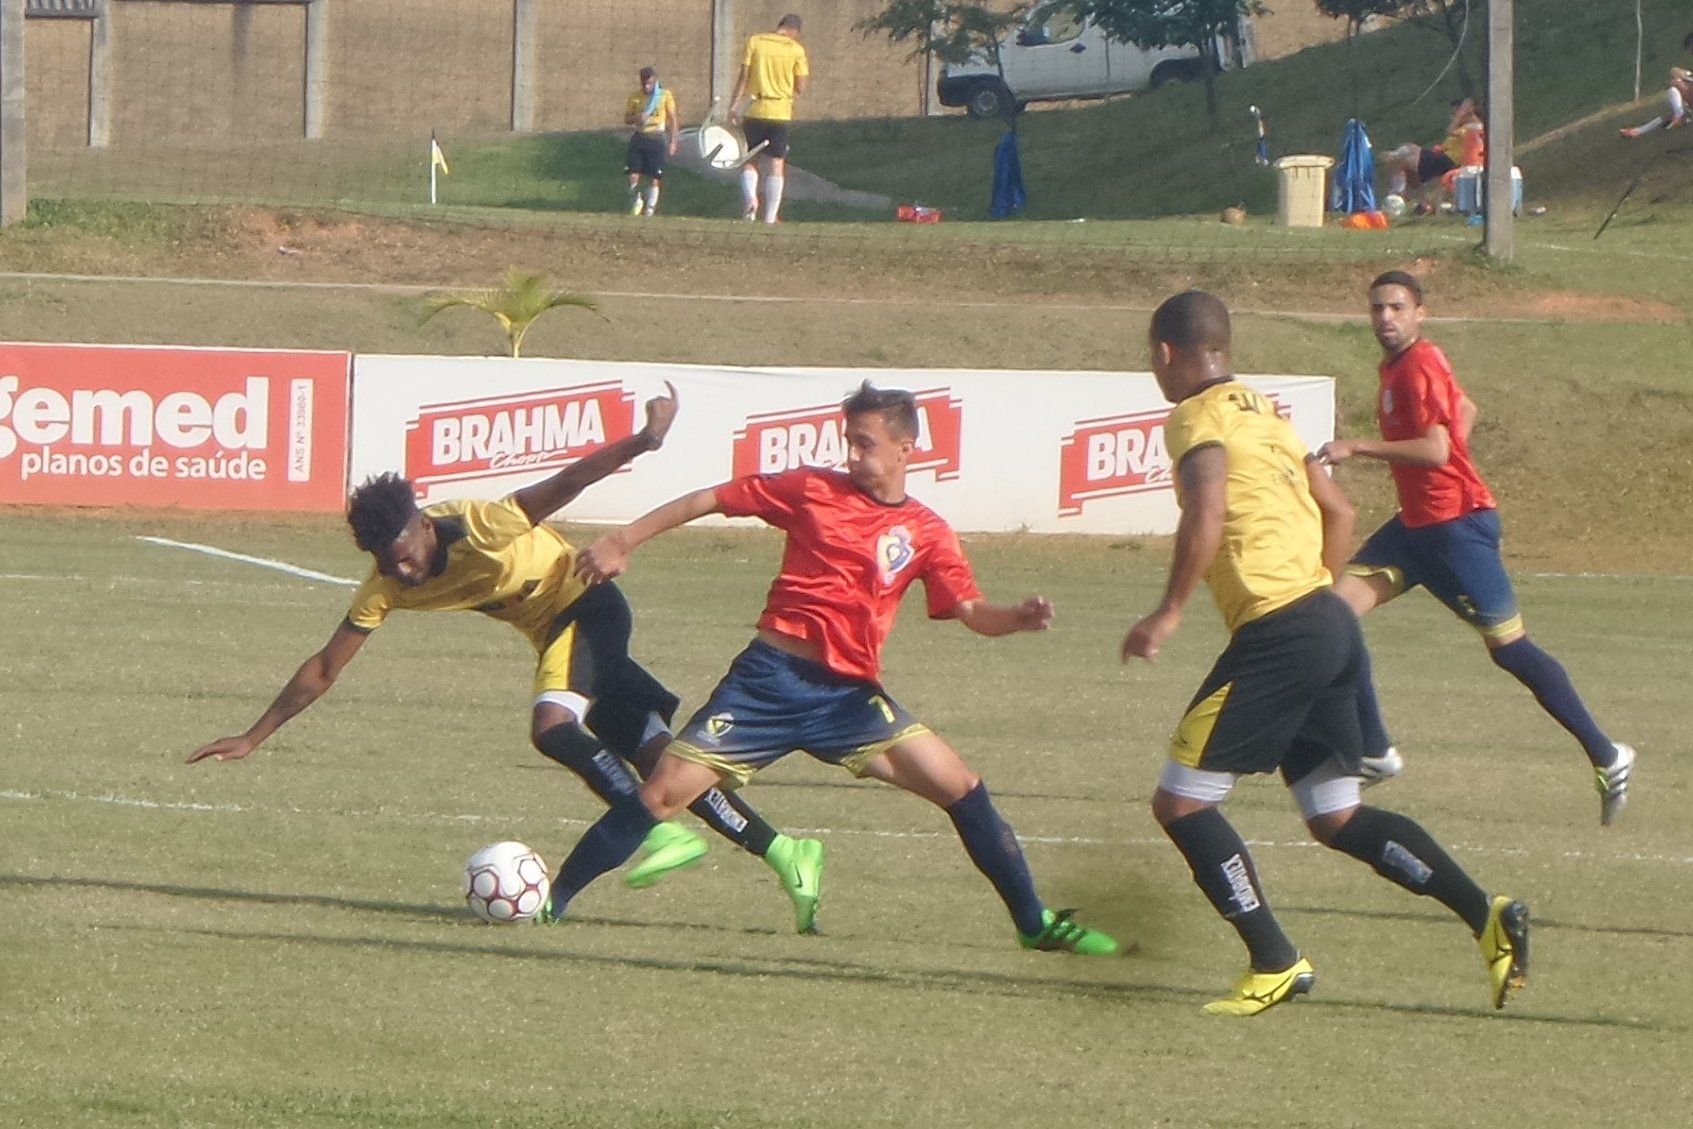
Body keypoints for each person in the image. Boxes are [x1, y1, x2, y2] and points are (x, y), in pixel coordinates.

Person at [186, 383, 826, 932]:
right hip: (558, 639)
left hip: (590, 609)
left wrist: (644, 441)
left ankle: (658, 831)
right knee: (663, 762)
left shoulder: (482, 525)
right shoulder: (384, 587)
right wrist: (253, 735)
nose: (399, 568)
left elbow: (569, 480)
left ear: (424, 525)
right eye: (384, 560)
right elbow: (325, 668)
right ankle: (787, 853)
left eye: (403, 551)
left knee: (553, 727)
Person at [543, 381, 1119, 955]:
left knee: (962, 788)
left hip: (847, 698)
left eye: (864, 443)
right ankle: (551, 903)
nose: (850, 454)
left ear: (905, 448)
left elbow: (971, 611)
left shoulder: (927, 532)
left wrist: (1014, 618)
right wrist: (623, 540)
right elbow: (712, 499)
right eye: (848, 440)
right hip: (766, 685)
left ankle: (1034, 923)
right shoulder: (811, 489)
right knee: (662, 795)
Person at [1123, 289, 1530, 1016]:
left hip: (1282, 633)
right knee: (1334, 815)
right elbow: (1338, 510)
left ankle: (1274, 959)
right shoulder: (1267, 415)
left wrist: (1168, 610)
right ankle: (1485, 912)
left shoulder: (1194, 417)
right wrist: (1314, 588)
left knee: (1180, 802)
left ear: (1165, 353)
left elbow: (1207, 508)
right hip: (1327, 620)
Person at [1316, 272, 1635, 825]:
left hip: (1457, 527)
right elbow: (1466, 411)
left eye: (1396, 307)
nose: (1385, 317)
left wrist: (1358, 445)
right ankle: (1374, 749)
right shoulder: (1397, 367)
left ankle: (1608, 755)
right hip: (1415, 529)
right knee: (1332, 615)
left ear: (1421, 313)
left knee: (1510, 649)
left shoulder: (1422, 362)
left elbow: (1437, 449)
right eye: (1377, 308)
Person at [728, 13, 810, 224]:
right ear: (795, 31)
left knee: (749, 160)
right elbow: (800, 87)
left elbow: (743, 77)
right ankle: (771, 217)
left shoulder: (755, 41)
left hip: (755, 109)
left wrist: (734, 107)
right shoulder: (796, 50)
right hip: (780, 112)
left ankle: (750, 200)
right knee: (776, 163)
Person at [1380, 98, 1485, 214]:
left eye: (1455, 113)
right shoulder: (1465, 127)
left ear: (1468, 112)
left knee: (1401, 159)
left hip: (1447, 161)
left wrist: (1461, 113)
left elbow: (1450, 130)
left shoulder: (1474, 127)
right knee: (1408, 148)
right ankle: (1410, 197)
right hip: (1440, 156)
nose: (1452, 117)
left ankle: (1397, 194)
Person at [624, 66, 680, 217]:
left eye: (649, 83)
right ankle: (636, 201)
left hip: (657, 139)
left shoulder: (664, 96)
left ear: (655, 81)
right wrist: (637, 118)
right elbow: (627, 118)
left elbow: (673, 118)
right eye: (644, 83)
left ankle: (649, 210)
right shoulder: (635, 97)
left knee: (654, 177)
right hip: (640, 137)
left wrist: (673, 141)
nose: (646, 86)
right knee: (633, 173)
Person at [1620, 66, 1692, 138]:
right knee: (1664, 117)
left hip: (1683, 110)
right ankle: (1635, 132)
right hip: (1683, 110)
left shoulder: (1676, 87)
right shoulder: (1675, 88)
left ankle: (1635, 132)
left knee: (1666, 116)